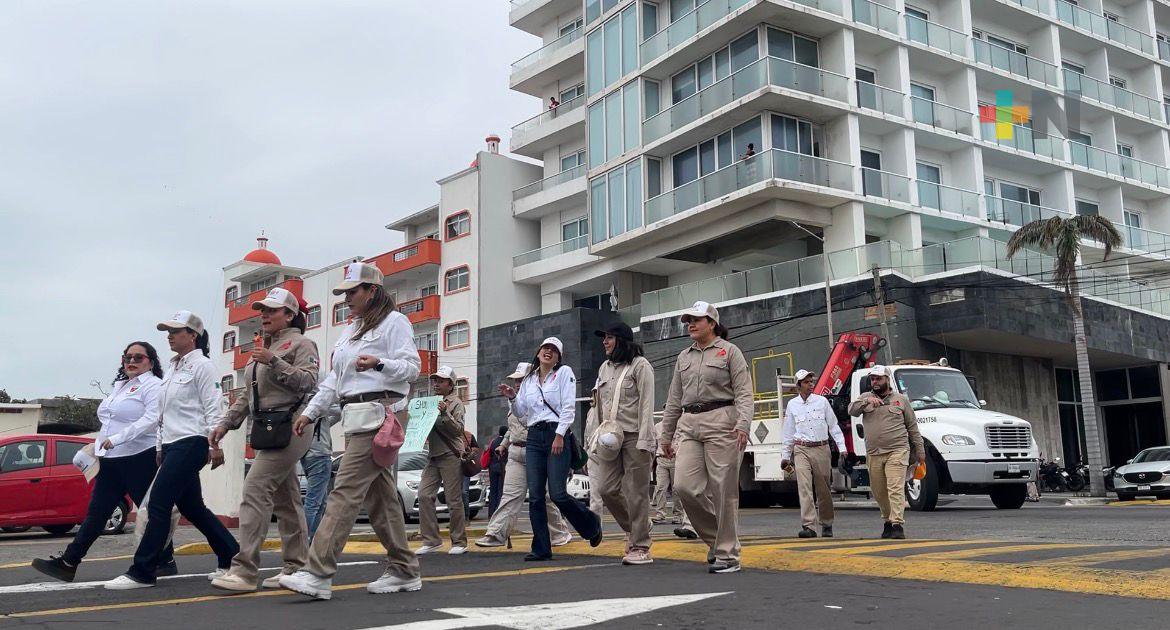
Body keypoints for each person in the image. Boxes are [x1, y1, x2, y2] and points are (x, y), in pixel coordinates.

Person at [280, 262, 422, 600]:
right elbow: (335, 379)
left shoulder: (394, 323)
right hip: (355, 416)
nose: (346, 299)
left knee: (343, 490)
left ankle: (318, 572)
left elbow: (413, 368)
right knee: (381, 498)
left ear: (372, 291)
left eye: (352, 292)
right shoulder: (351, 330)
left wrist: (379, 363)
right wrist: (311, 412)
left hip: (381, 415)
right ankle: (404, 568)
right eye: (344, 293)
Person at [105, 312, 240, 589]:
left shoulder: (203, 366)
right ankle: (233, 556)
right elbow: (163, 414)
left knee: (158, 504)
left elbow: (213, 406)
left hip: (192, 442)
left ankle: (143, 571)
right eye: (168, 330)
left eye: (176, 330)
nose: (169, 334)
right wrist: (159, 447)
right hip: (170, 445)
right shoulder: (172, 368)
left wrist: (215, 445)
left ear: (193, 335)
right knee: (193, 507)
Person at [32, 342, 177, 582]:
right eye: (127, 357)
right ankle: (68, 562)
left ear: (151, 361)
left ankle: (165, 559)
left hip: (139, 457)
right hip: (111, 460)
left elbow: (152, 420)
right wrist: (96, 447)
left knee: (151, 512)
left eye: (138, 357)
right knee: (97, 513)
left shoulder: (153, 386)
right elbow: (109, 423)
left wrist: (117, 438)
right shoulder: (120, 387)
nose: (131, 361)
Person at [208, 288, 320, 592]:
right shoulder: (262, 349)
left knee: (255, 490)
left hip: (291, 425)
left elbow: (309, 382)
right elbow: (248, 394)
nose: (264, 315)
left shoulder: (301, 343)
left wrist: (274, 361)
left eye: (272, 310)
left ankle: (245, 571)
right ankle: (297, 566)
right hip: (267, 428)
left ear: (290, 315)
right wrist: (225, 424)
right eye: (263, 310)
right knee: (286, 499)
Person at [660, 301, 753, 574]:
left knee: (723, 491)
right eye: (688, 319)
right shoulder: (683, 357)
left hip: (722, 421)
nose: (691, 323)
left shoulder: (730, 352)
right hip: (689, 425)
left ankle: (728, 555)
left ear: (712, 323)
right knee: (684, 487)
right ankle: (718, 541)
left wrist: (743, 424)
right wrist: (666, 435)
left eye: (697, 319)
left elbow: (744, 393)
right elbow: (674, 399)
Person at [498, 337, 603, 561]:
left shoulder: (564, 373)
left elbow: (568, 407)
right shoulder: (529, 379)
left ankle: (591, 525)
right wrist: (512, 398)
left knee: (558, 494)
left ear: (558, 358)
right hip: (534, 436)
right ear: (538, 353)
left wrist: (559, 435)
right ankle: (541, 548)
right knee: (535, 496)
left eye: (554, 350)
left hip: (557, 433)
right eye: (545, 348)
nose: (548, 352)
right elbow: (521, 412)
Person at [475, 362, 571, 548]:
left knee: (543, 497)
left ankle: (559, 532)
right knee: (510, 495)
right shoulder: (514, 401)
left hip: (536, 452)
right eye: (516, 380)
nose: (518, 383)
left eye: (521, 379)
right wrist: (503, 444)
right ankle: (496, 534)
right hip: (515, 453)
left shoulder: (537, 398)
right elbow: (512, 429)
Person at [590, 322, 656, 565]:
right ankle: (639, 526)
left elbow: (647, 405)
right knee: (606, 489)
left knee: (637, 492)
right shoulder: (604, 369)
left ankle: (640, 545)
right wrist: (594, 437)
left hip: (634, 435)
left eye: (609, 337)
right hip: (608, 437)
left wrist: (646, 440)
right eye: (604, 338)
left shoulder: (640, 366)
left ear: (622, 340)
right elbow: (598, 406)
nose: (604, 342)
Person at [847, 365, 924, 540]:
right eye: (873, 378)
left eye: (878, 378)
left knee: (895, 487)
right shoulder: (865, 397)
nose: (875, 382)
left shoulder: (901, 400)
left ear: (887, 380)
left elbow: (912, 427)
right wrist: (867, 402)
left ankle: (897, 524)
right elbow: (851, 410)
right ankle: (888, 520)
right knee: (878, 491)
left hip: (897, 450)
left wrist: (920, 450)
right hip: (874, 453)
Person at [781, 369, 846, 539]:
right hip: (801, 448)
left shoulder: (822, 402)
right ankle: (809, 525)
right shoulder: (792, 405)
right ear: (798, 385)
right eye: (806, 382)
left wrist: (842, 448)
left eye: (811, 381)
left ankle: (826, 522)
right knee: (804, 487)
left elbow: (833, 426)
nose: (811, 384)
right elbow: (788, 432)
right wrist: (785, 456)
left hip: (821, 448)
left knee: (823, 488)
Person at [415, 365, 469, 556]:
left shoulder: (455, 403)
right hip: (433, 455)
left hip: (450, 454)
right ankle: (431, 540)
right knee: (423, 495)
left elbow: (458, 430)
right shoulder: (430, 402)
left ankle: (459, 541)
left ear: (451, 384)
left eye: (441, 380)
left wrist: (445, 413)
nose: (436, 384)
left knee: (453, 500)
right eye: (435, 380)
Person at [301, 403, 338, 540]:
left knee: (320, 502)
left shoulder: (303, 409)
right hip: (320, 455)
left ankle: (313, 539)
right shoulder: (319, 407)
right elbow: (340, 410)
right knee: (314, 503)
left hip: (306, 455)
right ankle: (305, 540)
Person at [651, 423, 685, 526]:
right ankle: (660, 514)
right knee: (660, 487)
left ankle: (678, 514)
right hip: (661, 459)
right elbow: (654, 444)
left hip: (676, 459)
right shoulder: (657, 426)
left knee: (676, 489)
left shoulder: (680, 426)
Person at [486, 426, 507, 517]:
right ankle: (499, 513)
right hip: (503, 468)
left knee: (493, 490)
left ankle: (491, 513)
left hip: (492, 468)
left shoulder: (493, 441)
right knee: (501, 490)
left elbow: (489, 453)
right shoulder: (505, 443)